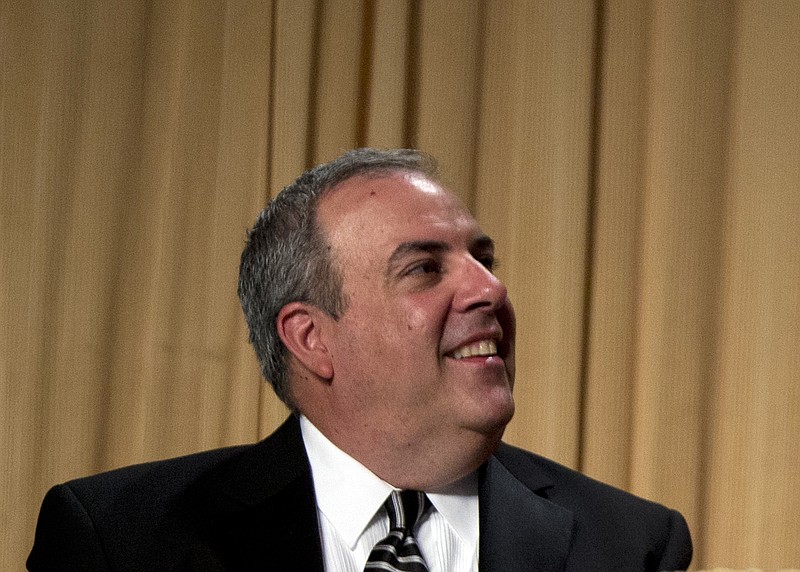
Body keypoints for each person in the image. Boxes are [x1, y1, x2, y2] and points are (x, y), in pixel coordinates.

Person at [27, 149, 692, 571]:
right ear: (312, 338)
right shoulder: (121, 540)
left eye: (483, 261)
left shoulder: (632, 546)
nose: (491, 289)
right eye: (425, 268)